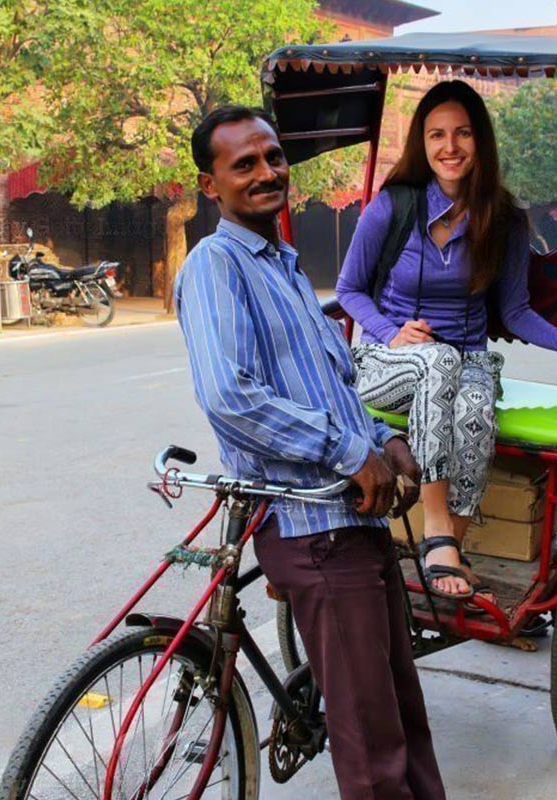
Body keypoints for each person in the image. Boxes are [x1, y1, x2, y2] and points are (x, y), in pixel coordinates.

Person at [174, 105, 446, 800]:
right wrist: (346, 450)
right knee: (373, 753)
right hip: (312, 530)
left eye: (273, 158)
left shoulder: (284, 264)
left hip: (353, 522)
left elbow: (330, 385)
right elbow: (232, 397)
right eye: (245, 165)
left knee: (401, 717)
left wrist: (383, 440)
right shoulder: (216, 265)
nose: (266, 174)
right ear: (213, 185)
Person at [336, 80, 557, 600]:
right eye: (437, 135)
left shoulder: (503, 219)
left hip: (464, 363)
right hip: (388, 363)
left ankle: (453, 554)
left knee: (473, 404)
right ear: (422, 145)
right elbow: (349, 289)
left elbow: (514, 311)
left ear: (479, 141)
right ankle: (437, 529)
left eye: (462, 133)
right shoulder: (394, 207)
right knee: (439, 362)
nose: (450, 147)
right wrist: (390, 331)